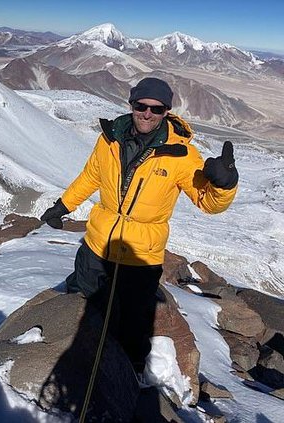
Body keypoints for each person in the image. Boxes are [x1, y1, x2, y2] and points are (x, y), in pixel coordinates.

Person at [40, 77, 238, 374]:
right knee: (86, 302)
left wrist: (225, 185)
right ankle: (83, 358)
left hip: (141, 256)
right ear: (131, 105)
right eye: (140, 105)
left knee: (134, 321)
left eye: (156, 109)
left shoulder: (181, 155)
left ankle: (131, 371)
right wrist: (63, 205)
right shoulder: (109, 139)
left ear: (166, 112)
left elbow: (207, 202)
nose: (147, 113)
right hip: (98, 244)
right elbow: (90, 176)